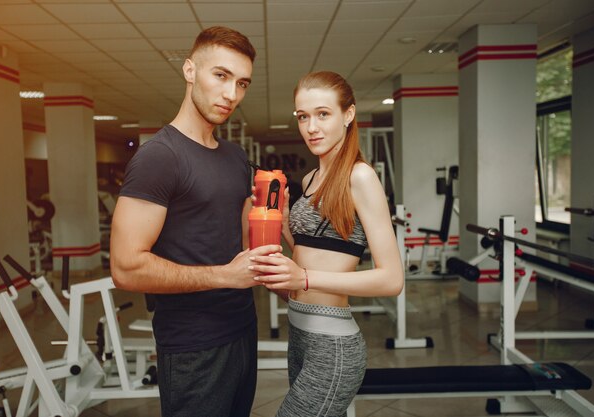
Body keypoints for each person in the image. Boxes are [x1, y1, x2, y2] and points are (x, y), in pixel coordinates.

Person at [109, 26, 281, 417]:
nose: (231, 94)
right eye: (220, 76)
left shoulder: (235, 157)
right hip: (193, 345)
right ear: (190, 70)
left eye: (242, 83)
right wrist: (224, 276)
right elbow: (126, 267)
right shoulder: (159, 157)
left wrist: (272, 221)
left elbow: (237, 245)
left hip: (242, 329)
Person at [249, 71, 405, 417]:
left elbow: (392, 279)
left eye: (323, 114)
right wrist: (286, 222)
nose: (311, 127)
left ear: (348, 115)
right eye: (303, 116)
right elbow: (317, 251)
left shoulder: (360, 176)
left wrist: (303, 279)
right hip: (300, 333)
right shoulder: (311, 178)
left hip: (332, 343)